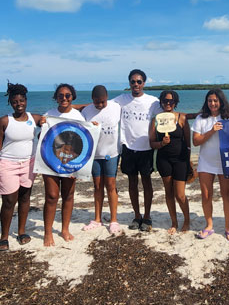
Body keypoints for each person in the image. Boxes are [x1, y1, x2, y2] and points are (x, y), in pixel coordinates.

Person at [0, 82, 43, 251]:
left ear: (26, 100)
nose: (19, 104)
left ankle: (21, 231)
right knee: (9, 201)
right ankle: (4, 236)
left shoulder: (35, 119)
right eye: (15, 102)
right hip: (8, 164)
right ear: (10, 102)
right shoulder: (4, 121)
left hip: (29, 164)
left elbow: (56, 122)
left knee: (25, 197)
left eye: (22, 101)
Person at [112, 69, 161, 231]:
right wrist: (71, 107)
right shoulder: (121, 100)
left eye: (139, 82)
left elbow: (169, 115)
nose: (136, 84)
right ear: (129, 83)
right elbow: (100, 104)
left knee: (147, 183)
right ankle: (137, 215)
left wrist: (195, 115)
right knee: (132, 183)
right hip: (128, 148)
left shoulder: (153, 102)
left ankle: (147, 217)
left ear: (144, 83)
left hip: (146, 148)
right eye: (133, 82)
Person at [42, 84, 86, 246]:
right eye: (61, 96)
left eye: (68, 95)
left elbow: (84, 139)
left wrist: (93, 128)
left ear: (72, 97)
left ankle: (65, 229)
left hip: (70, 161)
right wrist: (42, 124)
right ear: (56, 97)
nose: (64, 98)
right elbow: (43, 139)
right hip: (50, 161)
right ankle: (48, 232)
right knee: (52, 196)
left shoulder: (79, 117)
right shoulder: (49, 115)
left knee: (68, 195)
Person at [191, 88, 229, 241]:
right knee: (206, 195)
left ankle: (228, 227)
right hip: (206, 162)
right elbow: (195, 142)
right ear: (206, 102)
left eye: (216, 100)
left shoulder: (227, 119)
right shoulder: (200, 119)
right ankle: (209, 226)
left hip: (224, 162)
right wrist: (212, 130)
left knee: (227, 194)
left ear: (221, 102)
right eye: (210, 100)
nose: (213, 103)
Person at [149, 90, 192, 234]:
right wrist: (161, 143)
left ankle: (186, 220)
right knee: (168, 192)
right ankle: (174, 222)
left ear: (175, 102)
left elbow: (188, 143)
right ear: (161, 102)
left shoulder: (181, 118)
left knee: (180, 194)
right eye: (165, 101)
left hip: (180, 160)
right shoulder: (156, 120)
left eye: (171, 101)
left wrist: (189, 162)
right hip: (164, 160)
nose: (168, 103)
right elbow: (151, 143)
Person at [81, 85, 122, 234]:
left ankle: (114, 220)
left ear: (107, 98)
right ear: (92, 100)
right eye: (96, 102)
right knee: (97, 186)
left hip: (111, 153)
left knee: (110, 185)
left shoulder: (116, 107)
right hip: (95, 154)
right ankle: (97, 219)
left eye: (102, 102)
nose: (99, 105)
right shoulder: (86, 111)